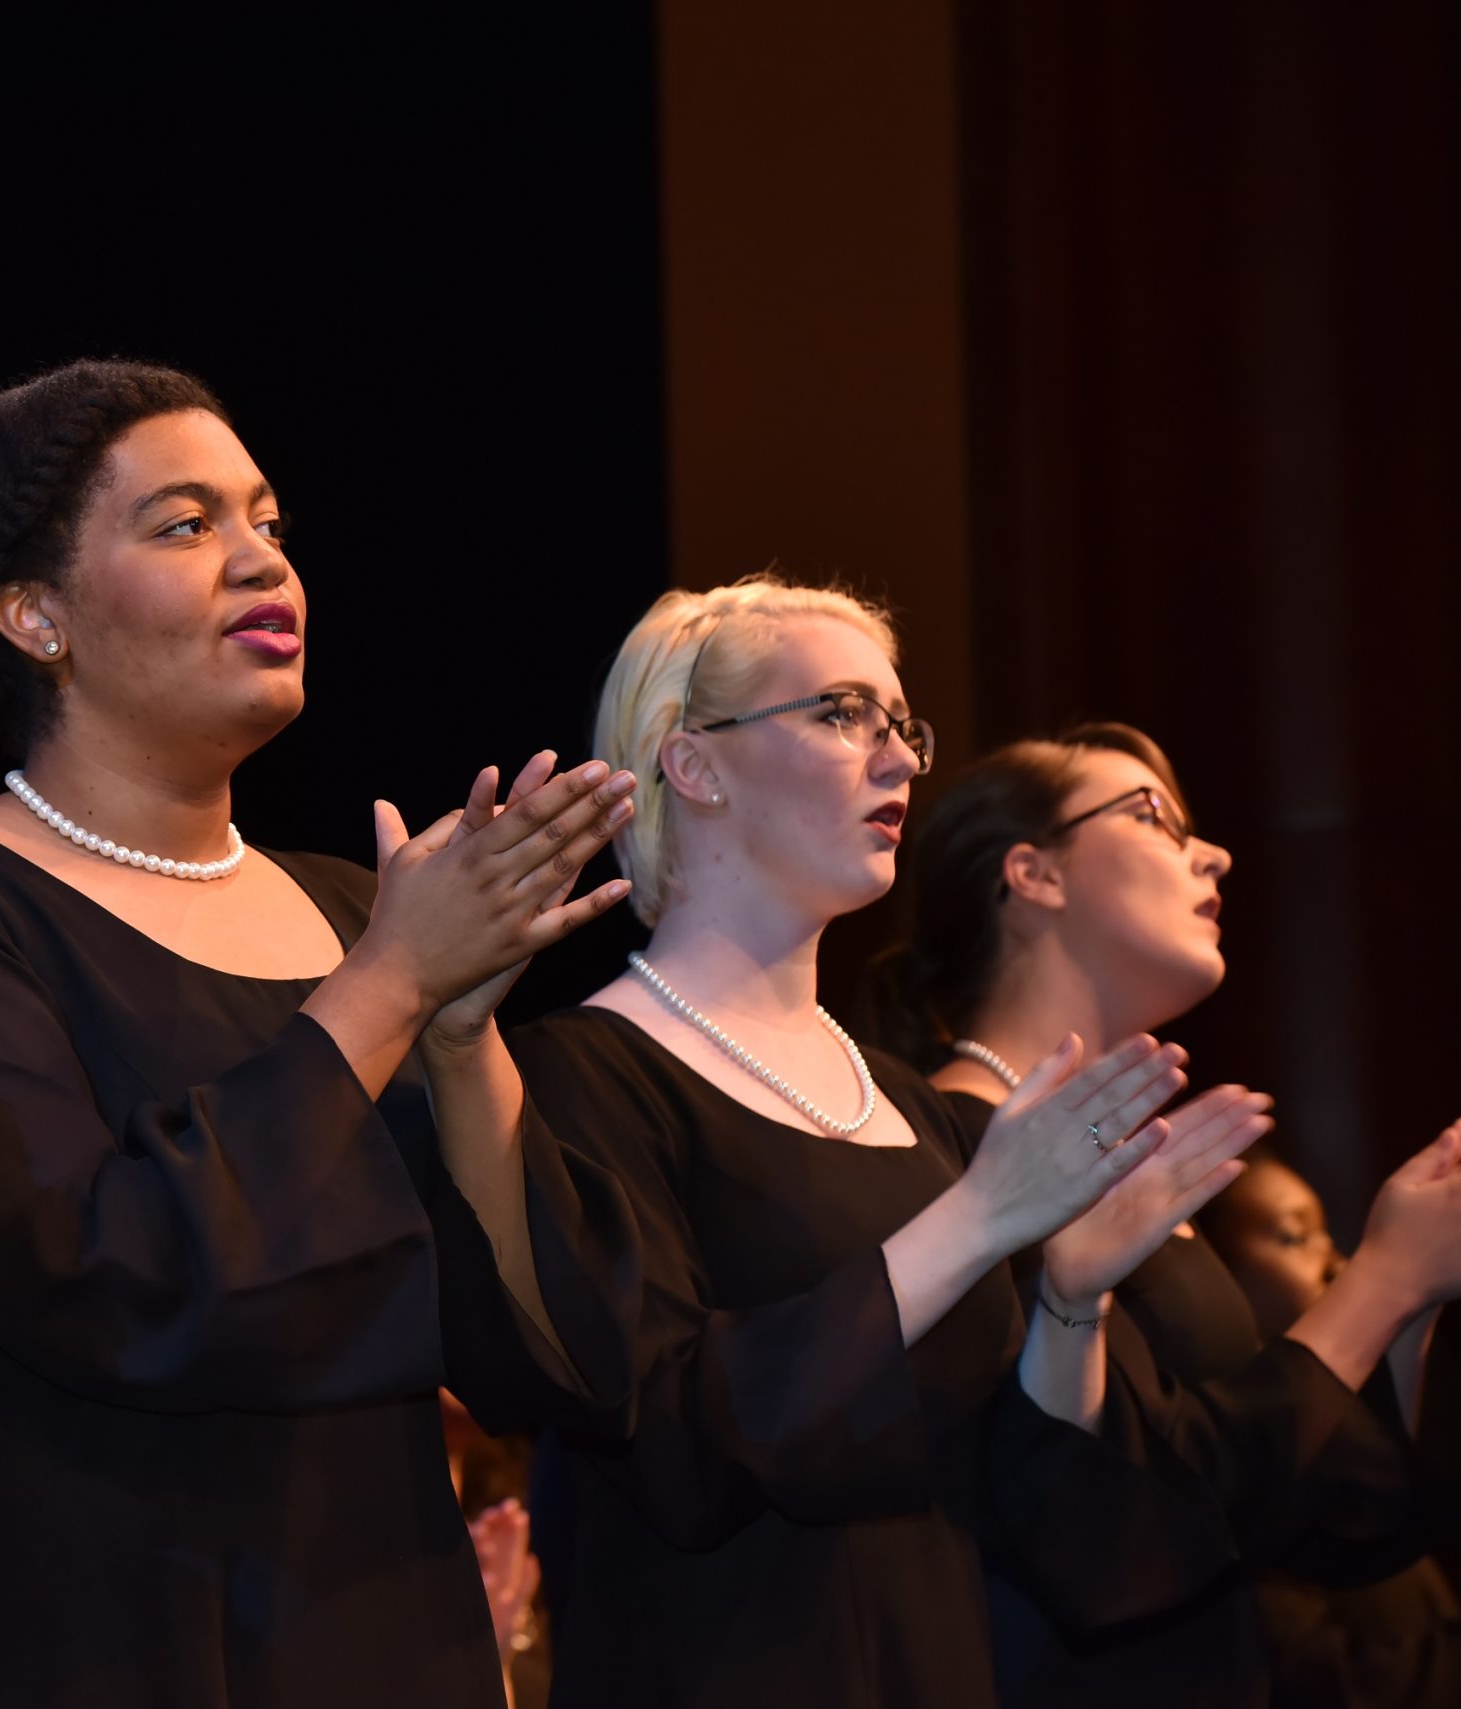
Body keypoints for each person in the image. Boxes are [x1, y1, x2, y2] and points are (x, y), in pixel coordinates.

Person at [0, 359, 645, 1708]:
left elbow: (549, 1358)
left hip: (374, 1636)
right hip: (51, 1642)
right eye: (185, 525)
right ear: (34, 613)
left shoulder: (359, 909)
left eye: (270, 523)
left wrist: (464, 1033)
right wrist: (389, 989)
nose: (260, 561)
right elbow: (110, 1277)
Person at [510, 576, 1264, 1707]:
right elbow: (674, 1440)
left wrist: (1071, 1297)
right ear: (694, 763)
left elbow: (1029, 1506)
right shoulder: (580, 1074)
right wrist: (976, 1219)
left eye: (900, 725)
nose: (900, 760)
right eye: (839, 713)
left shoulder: (905, 1103)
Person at [883, 723, 1461, 1705]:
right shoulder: (945, 1152)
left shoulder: (1125, 1161)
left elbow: (1322, 1518)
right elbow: (1124, 1512)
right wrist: (1380, 1281)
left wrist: (1418, 1287)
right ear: (1032, 873)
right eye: (1151, 814)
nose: (1213, 853)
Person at [1200, 1149, 1461, 1709]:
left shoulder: (1347, 1419)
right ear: (1211, 1272)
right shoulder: (1222, 1464)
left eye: (1325, 1235)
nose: (1337, 1264)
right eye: (1294, 1238)